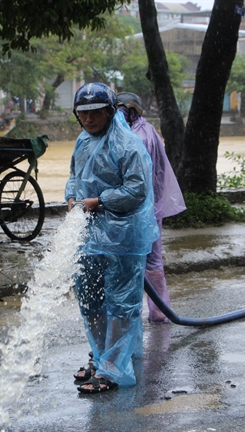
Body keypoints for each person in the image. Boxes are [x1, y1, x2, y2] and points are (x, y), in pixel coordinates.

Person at [65, 82, 159, 393]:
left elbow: (136, 190)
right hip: (89, 235)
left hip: (122, 237)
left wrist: (100, 202)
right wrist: (72, 198)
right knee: (91, 299)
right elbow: (74, 177)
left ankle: (114, 369)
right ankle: (101, 355)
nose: (89, 119)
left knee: (121, 303)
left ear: (109, 111)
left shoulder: (126, 145)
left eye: (95, 112)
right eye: (83, 113)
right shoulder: (82, 142)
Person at [117, 92, 186, 324]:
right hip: (151, 209)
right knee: (153, 262)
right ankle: (159, 312)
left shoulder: (133, 136)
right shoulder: (149, 131)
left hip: (138, 210)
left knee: (132, 262)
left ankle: (131, 315)